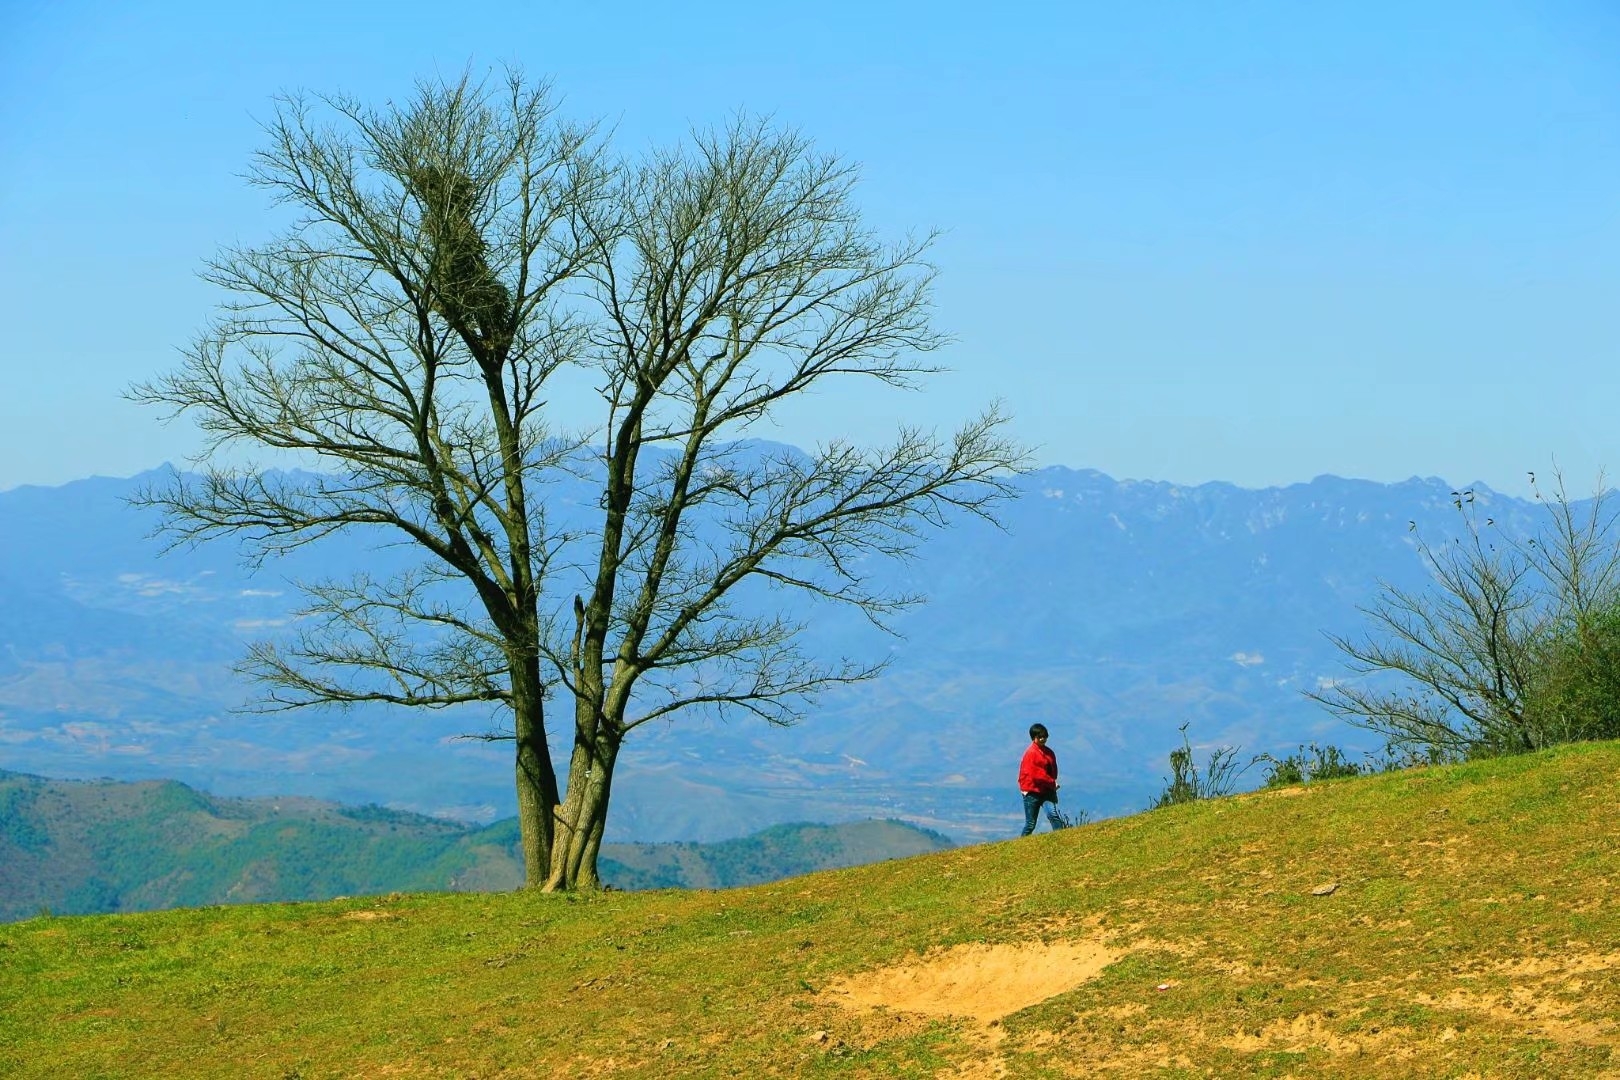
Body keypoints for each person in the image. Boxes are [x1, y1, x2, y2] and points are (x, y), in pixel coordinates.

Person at [1018, 722, 1061, 836]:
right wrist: (1052, 782)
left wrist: (1051, 782)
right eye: (1039, 737)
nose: (1042, 739)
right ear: (1034, 738)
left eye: (1044, 736)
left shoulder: (1049, 752)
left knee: (1053, 814)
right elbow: (1036, 775)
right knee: (1030, 824)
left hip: (1046, 790)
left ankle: (1062, 836)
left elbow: (1053, 769)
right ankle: (1022, 844)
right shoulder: (1031, 754)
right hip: (1032, 791)